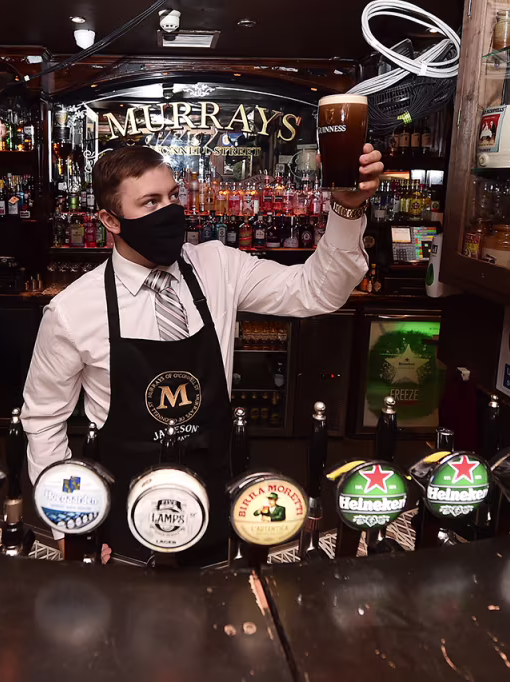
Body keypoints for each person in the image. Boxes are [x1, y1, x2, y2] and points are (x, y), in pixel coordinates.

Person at [21, 143, 382, 564]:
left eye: (172, 196)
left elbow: (316, 292)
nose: (169, 211)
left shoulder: (218, 267)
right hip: (119, 509)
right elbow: (44, 420)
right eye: (150, 202)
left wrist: (347, 211)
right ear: (109, 220)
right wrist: (70, 523)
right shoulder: (72, 310)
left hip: (215, 492)